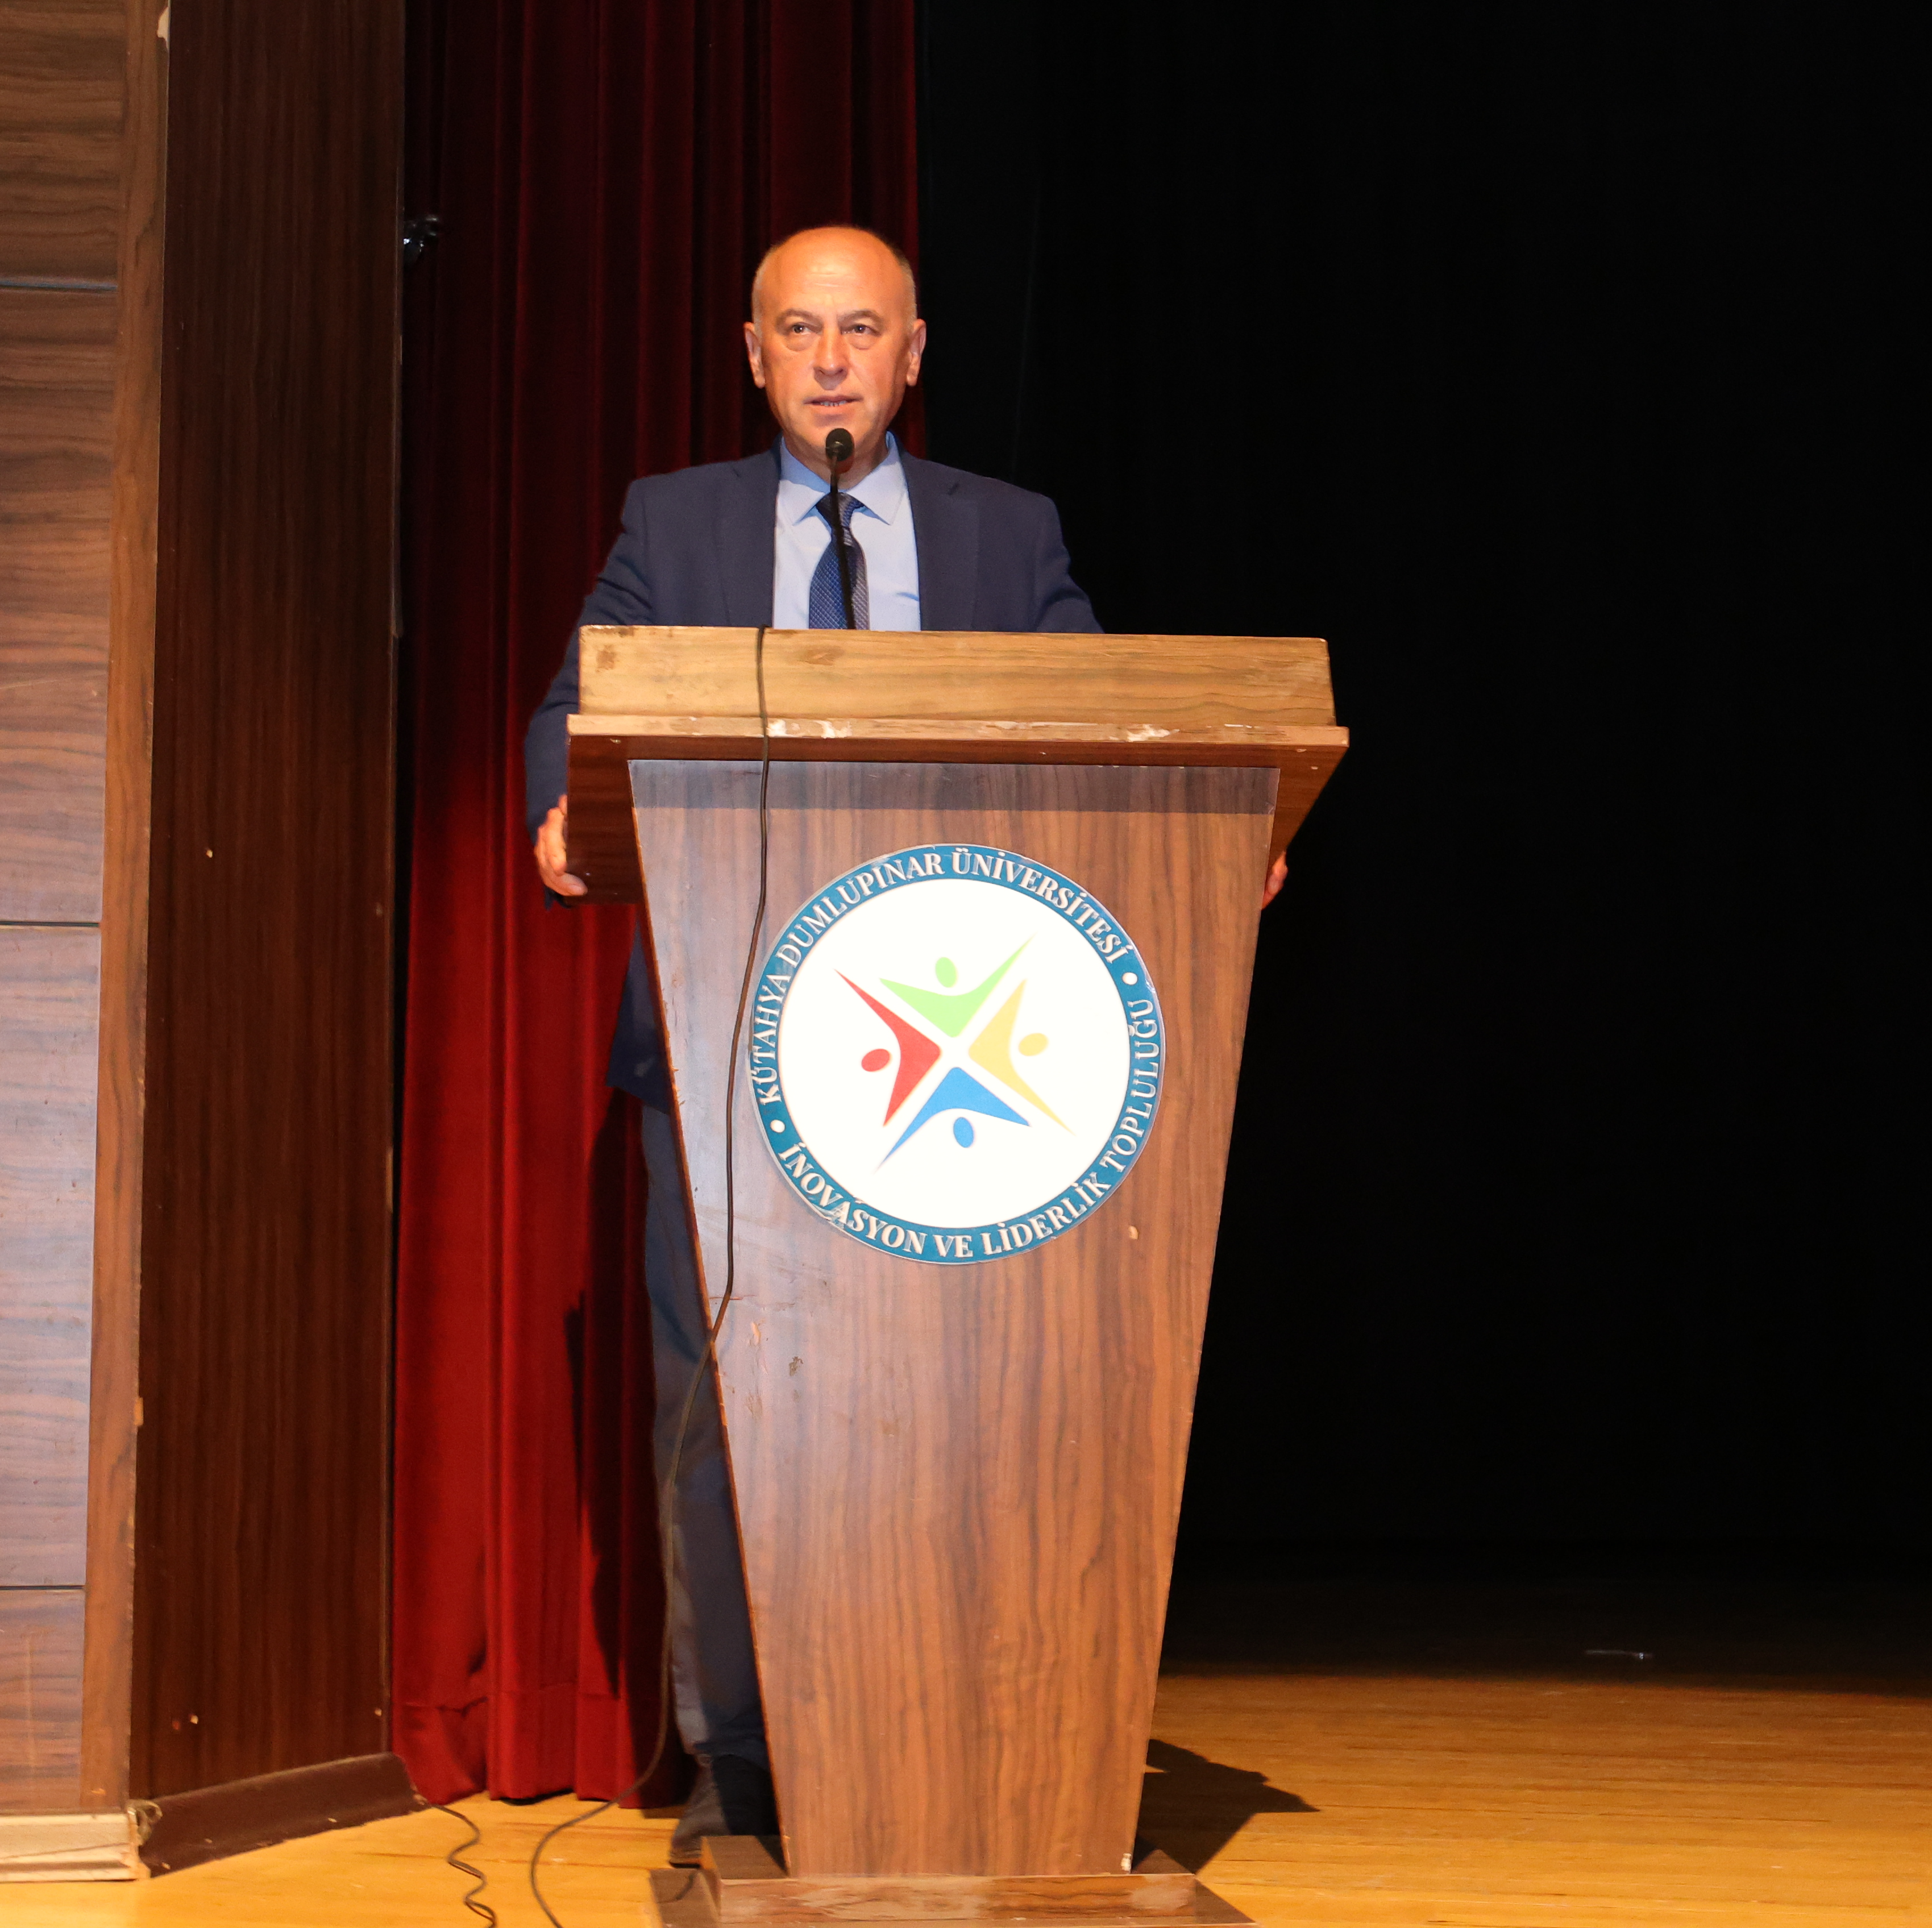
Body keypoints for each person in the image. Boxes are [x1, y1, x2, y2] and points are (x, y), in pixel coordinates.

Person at [522, 225, 1283, 1862]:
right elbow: (580, 697)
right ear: (754, 355)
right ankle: (745, 1767)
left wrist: (1220, 818)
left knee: (986, 1409)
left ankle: (993, 1742)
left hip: (971, 1081)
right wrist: (553, 806)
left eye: (861, 331)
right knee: (722, 1426)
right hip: (729, 1052)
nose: (831, 361)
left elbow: (1104, 719)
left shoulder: (1011, 534)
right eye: (800, 332)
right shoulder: (676, 521)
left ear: (913, 355)